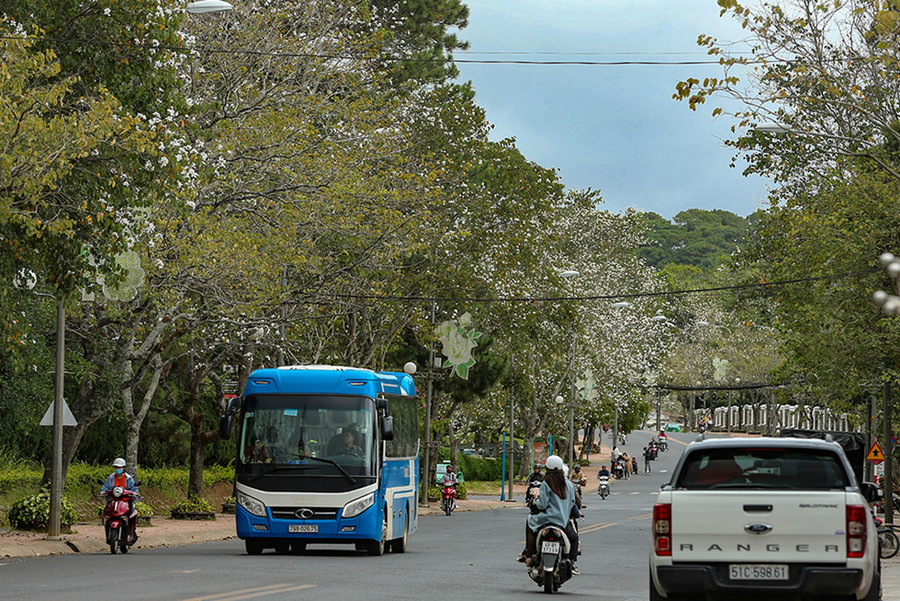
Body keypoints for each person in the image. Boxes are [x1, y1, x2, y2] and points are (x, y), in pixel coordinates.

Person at [517, 455, 579, 573]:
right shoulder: (569, 485)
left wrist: (537, 502)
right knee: (574, 538)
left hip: (545, 520)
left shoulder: (546, 483)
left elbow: (542, 505)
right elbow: (572, 503)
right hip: (562, 522)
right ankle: (572, 562)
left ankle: (529, 554)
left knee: (530, 521)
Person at [101, 457, 140, 541]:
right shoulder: (110, 478)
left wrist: (134, 493)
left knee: (132, 514)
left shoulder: (129, 479)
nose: (117, 469)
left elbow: (134, 489)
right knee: (106, 514)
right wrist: (103, 492)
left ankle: (132, 532)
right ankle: (108, 531)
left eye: (119, 467)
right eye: (116, 467)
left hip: (125, 501)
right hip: (112, 500)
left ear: (123, 468)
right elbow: (105, 487)